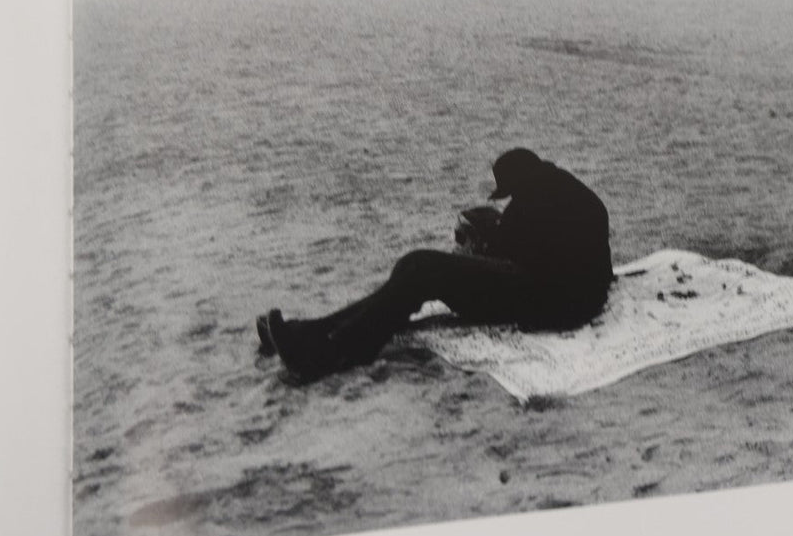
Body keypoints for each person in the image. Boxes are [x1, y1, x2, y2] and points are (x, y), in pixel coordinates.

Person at [258, 148, 613, 382]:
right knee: (415, 271)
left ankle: (331, 351)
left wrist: (479, 253)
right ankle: (312, 332)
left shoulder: (530, 205)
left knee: (419, 269)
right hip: (559, 297)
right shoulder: (570, 193)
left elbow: (516, 262)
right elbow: (591, 266)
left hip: (545, 304)